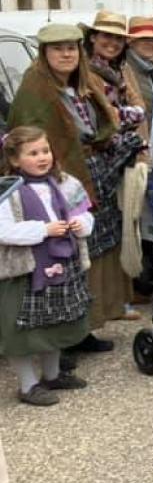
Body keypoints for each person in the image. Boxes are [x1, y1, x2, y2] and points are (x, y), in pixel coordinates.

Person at [9, 22, 144, 350]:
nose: (66, 54)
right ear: (44, 53)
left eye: (71, 47)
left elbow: (99, 124)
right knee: (66, 256)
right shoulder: (35, 90)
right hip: (58, 178)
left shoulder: (80, 83)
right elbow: (28, 142)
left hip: (89, 170)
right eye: (58, 48)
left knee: (93, 250)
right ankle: (62, 339)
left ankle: (83, 328)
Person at [0, 126, 93, 405]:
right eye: (33, 153)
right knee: (23, 330)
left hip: (63, 264)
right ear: (15, 160)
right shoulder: (8, 191)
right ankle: (28, 385)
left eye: (45, 150)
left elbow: (86, 214)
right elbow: (3, 230)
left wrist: (81, 225)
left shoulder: (66, 183)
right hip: (26, 270)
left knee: (56, 322)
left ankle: (52, 375)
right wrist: (43, 229)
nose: (42, 157)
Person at [82, 11, 146, 143]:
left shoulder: (121, 70)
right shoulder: (82, 70)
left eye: (119, 38)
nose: (113, 43)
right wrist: (132, 113)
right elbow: (105, 115)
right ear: (93, 37)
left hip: (121, 148)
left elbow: (139, 105)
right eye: (107, 36)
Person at [124, 17, 153, 142]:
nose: (150, 43)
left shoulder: (152, 71)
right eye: (144, 39)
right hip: (135, 151)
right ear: (131, 42)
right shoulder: (125, 69)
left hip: (151, 148)